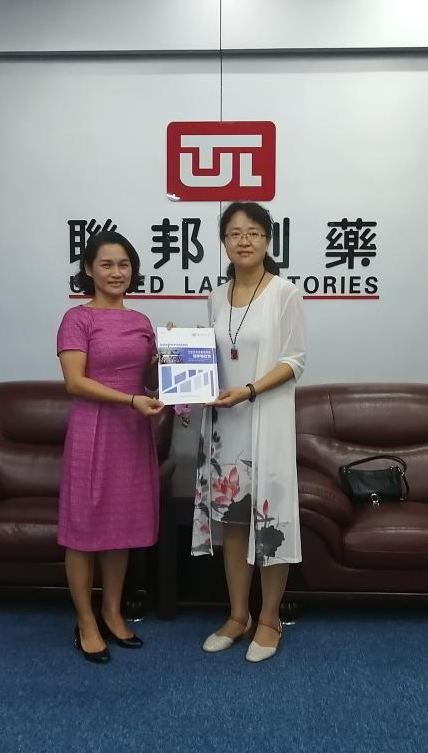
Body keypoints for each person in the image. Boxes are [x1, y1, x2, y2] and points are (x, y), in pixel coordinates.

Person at [192, 201, 307, 663]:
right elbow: (213, 358)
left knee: (270, 522)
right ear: (224, 242)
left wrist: (250, 390)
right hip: (226, 426)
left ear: (267, 241)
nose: (244, 240)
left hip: (266, 421)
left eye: (254, 232)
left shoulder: (284, 293)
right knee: (234, 522)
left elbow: (295, 360)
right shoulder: (216, 297)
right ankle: (238, 615)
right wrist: (179, 357)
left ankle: (269, 619)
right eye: (235, 233)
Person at [56, 230, 164, 664]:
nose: (116, 272)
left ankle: (112, 612)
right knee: (83, 531)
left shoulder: (142, 321)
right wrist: (130, 399)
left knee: (121, 529)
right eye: (106, 264)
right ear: (89, 269)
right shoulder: (76, 318)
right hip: (93, 431)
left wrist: (166, 362)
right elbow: (74, 381)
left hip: (132, 434)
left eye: (124, 265)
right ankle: (85, 621)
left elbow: (150, 382)